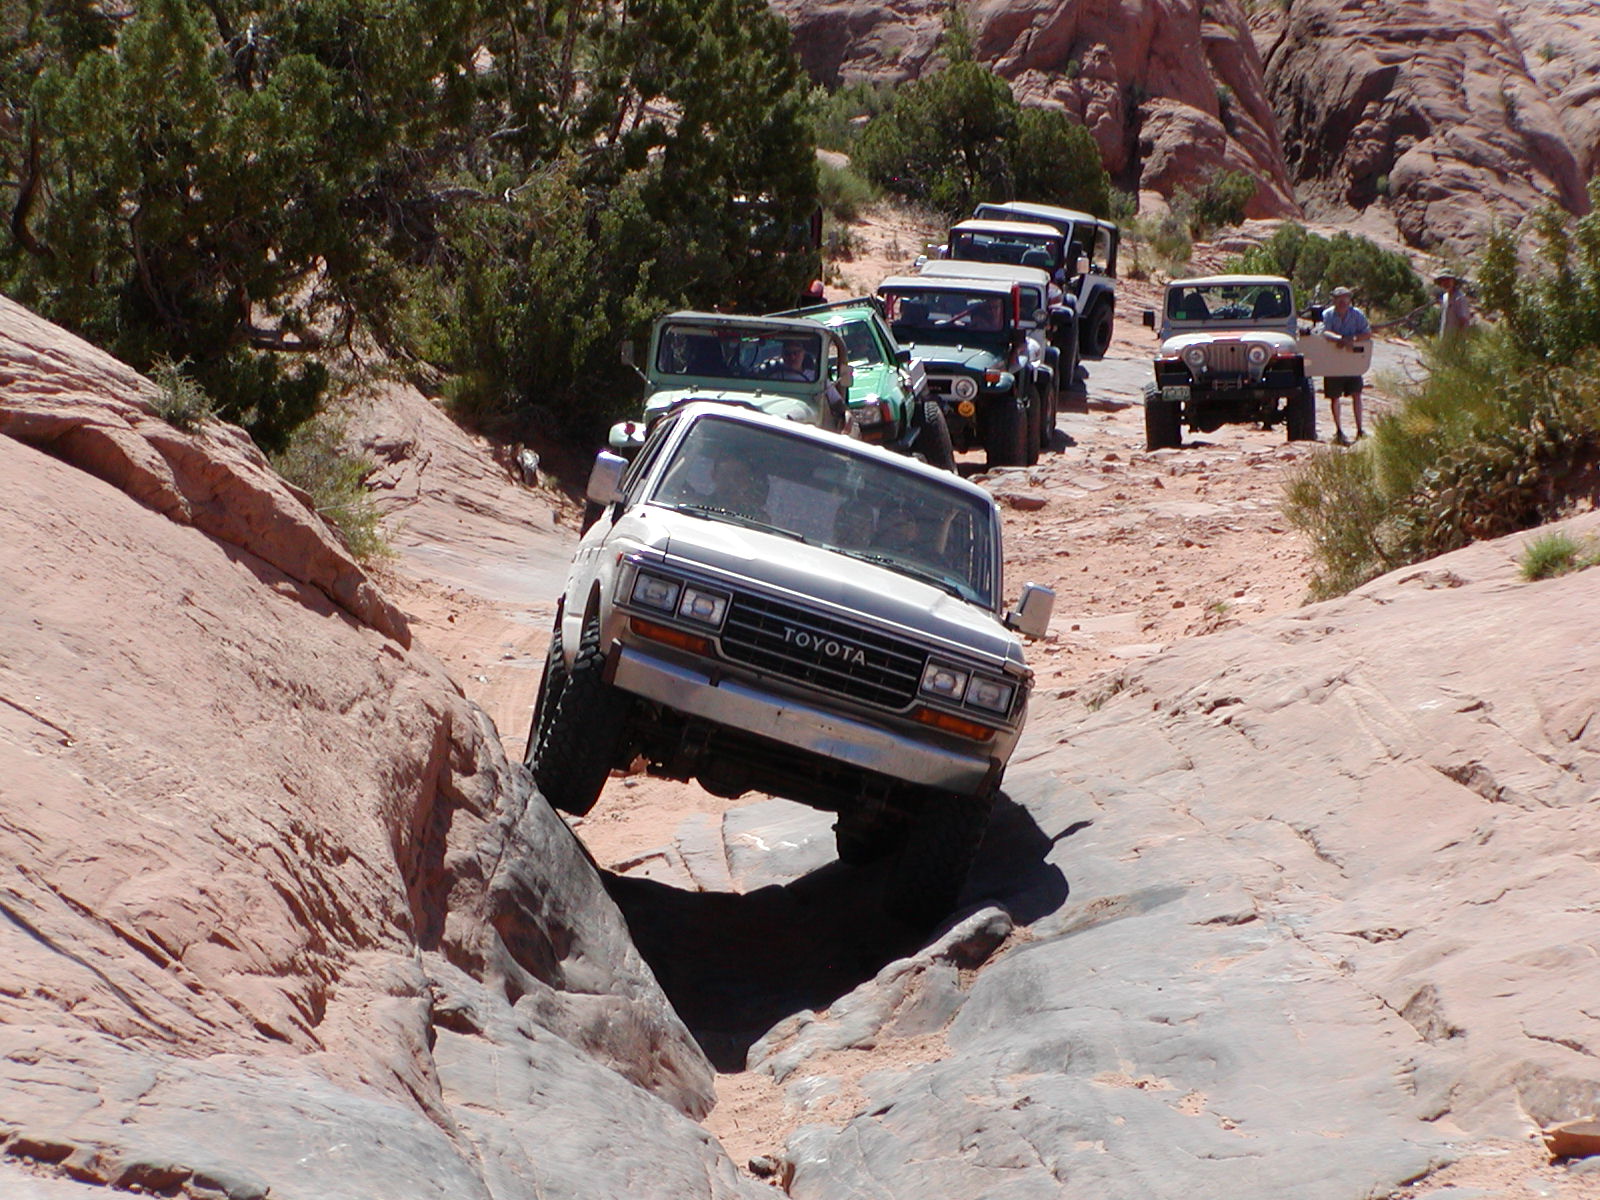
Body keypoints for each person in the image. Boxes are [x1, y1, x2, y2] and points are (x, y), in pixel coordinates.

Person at [1320, 286, 1372, 444]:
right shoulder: (1328, 314)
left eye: (1346, 298)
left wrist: (1353, 339)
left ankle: (1359, 429)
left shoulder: (1357, 314)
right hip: (1333, 362)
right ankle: (1339, 431)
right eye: (1339, 298)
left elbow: (1367, 333)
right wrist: (1341, 339)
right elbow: (1325, 332)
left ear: (1350, 300)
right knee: (1334, 397)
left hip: (1352, 362)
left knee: (1356, 394)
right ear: (1334, 299)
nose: (1343, 301)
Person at [1436, 270, 1472, 341]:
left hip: (1455, 341)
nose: (1446, 283)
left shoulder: (1460, 298)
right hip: (1444, 339)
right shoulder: (1445, 297)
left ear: (1454, 282)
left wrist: (1461, 340)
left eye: (1448, 280)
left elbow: (1464, 321)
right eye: (1443, 280)